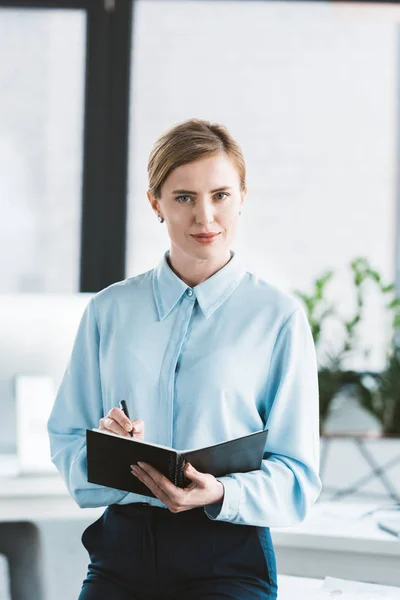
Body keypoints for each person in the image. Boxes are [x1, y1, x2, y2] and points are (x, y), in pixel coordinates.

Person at [47, 118, 322, 600]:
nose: (205, 217)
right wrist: (109, 451)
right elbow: (68, 438)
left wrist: (218, 492)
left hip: (227, 558)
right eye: (184, 197)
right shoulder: (109, 310)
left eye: (220, 195)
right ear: (155, 203)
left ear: (242, 197)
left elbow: (297, 472)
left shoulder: (277, 317)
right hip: (121, 555)